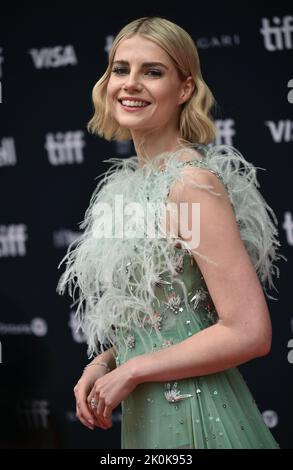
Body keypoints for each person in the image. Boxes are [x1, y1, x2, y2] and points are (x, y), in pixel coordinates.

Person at [57, 16, 286, 449]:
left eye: (153, 71)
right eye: (120, 69)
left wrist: (133, 370)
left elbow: (249, 331)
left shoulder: (190, 184)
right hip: (149, 414)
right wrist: (107, 362)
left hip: (199, 414)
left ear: (184, 89)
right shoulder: (123, 188)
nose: (130, 83)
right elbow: (165, 322)